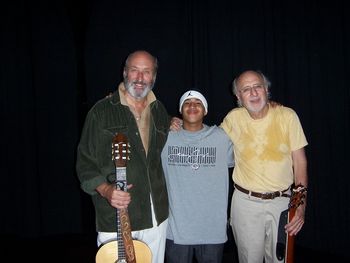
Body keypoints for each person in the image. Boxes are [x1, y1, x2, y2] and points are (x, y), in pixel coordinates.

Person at [76, 50, 171, 263]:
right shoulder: (101, 111)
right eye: (134, 71)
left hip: (156, 215)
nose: (139, 78)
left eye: (146, 72)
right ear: (125, 72)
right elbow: (85, 162)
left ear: (154, 77)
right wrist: (106, 189)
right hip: (116, 215)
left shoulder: (159, 110)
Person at [220, 70, 308, 263]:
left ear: (266, 90)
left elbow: (300, 162)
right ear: (238, 97)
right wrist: (173, 122)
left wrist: (300, 206)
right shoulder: (233, 119)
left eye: (257, 86)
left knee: (281, 260)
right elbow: (209, 143)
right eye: (246, 89)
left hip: (283, 203)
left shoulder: (287, 116)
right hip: (245, 204)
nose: (253, 93)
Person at [162, 90, 235, 263]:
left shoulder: (222, 138)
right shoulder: (165, 138)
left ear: (206, 110)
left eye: (198, 103)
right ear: (180, 110)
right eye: (187, 103)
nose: (192, 106)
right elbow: (142, 122)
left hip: (212, 229)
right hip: (175, 229)